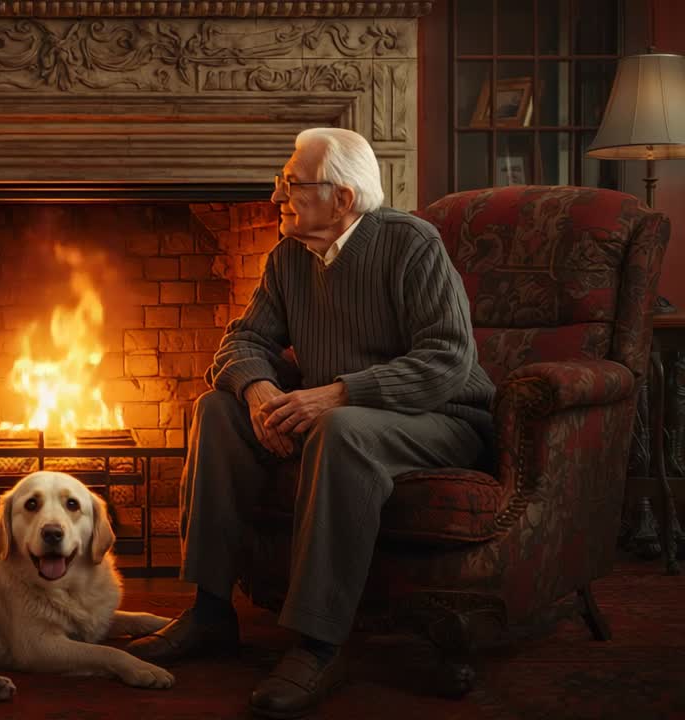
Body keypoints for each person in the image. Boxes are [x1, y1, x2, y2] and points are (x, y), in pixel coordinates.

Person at [127, 127, 495, 718]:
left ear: (342, 199)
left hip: (439, 417)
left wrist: (339, 395)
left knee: (341, 429)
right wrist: (260, 391)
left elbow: (449, 361)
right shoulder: (288, 258)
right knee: (217, 409)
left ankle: (321, 642)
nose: (279, 197)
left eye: (292, 184)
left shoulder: (412, 244)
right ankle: (212, 610)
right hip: (335, 412)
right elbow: (242, 340)